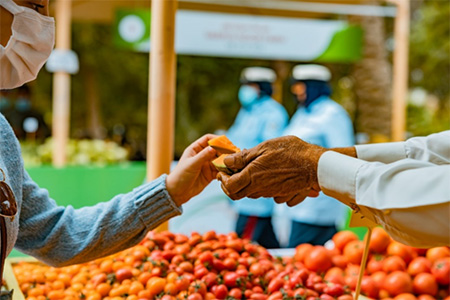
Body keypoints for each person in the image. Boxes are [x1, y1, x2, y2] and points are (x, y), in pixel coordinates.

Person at [0, 0, 218, 271]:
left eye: (45, 7)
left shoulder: (2, 135)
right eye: (32, 4)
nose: (43, 22)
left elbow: (58, 235)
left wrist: (170, 191)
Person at [218, 131, 450, 248]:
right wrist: (322, 160)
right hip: (303, 197)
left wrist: (314, 166)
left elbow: (438, 198)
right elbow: (434, 150)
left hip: (318, 207)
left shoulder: (330, 114)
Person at [282, 64, 354, 247]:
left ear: (313, 86)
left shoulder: (332, 114)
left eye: (300, 87)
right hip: (298, 204)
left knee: (306, 260)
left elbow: (343, 156)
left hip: (318, 206)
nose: (297, 92)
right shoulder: (302, 114)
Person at [226, 66, 289, 248]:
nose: (245, 90)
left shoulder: (273, 113)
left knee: (239, 246)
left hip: (255, 193)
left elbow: (270, 152)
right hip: (242, 186)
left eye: (251, 85)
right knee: (268, 243)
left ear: (262, 87)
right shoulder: (246, 112)